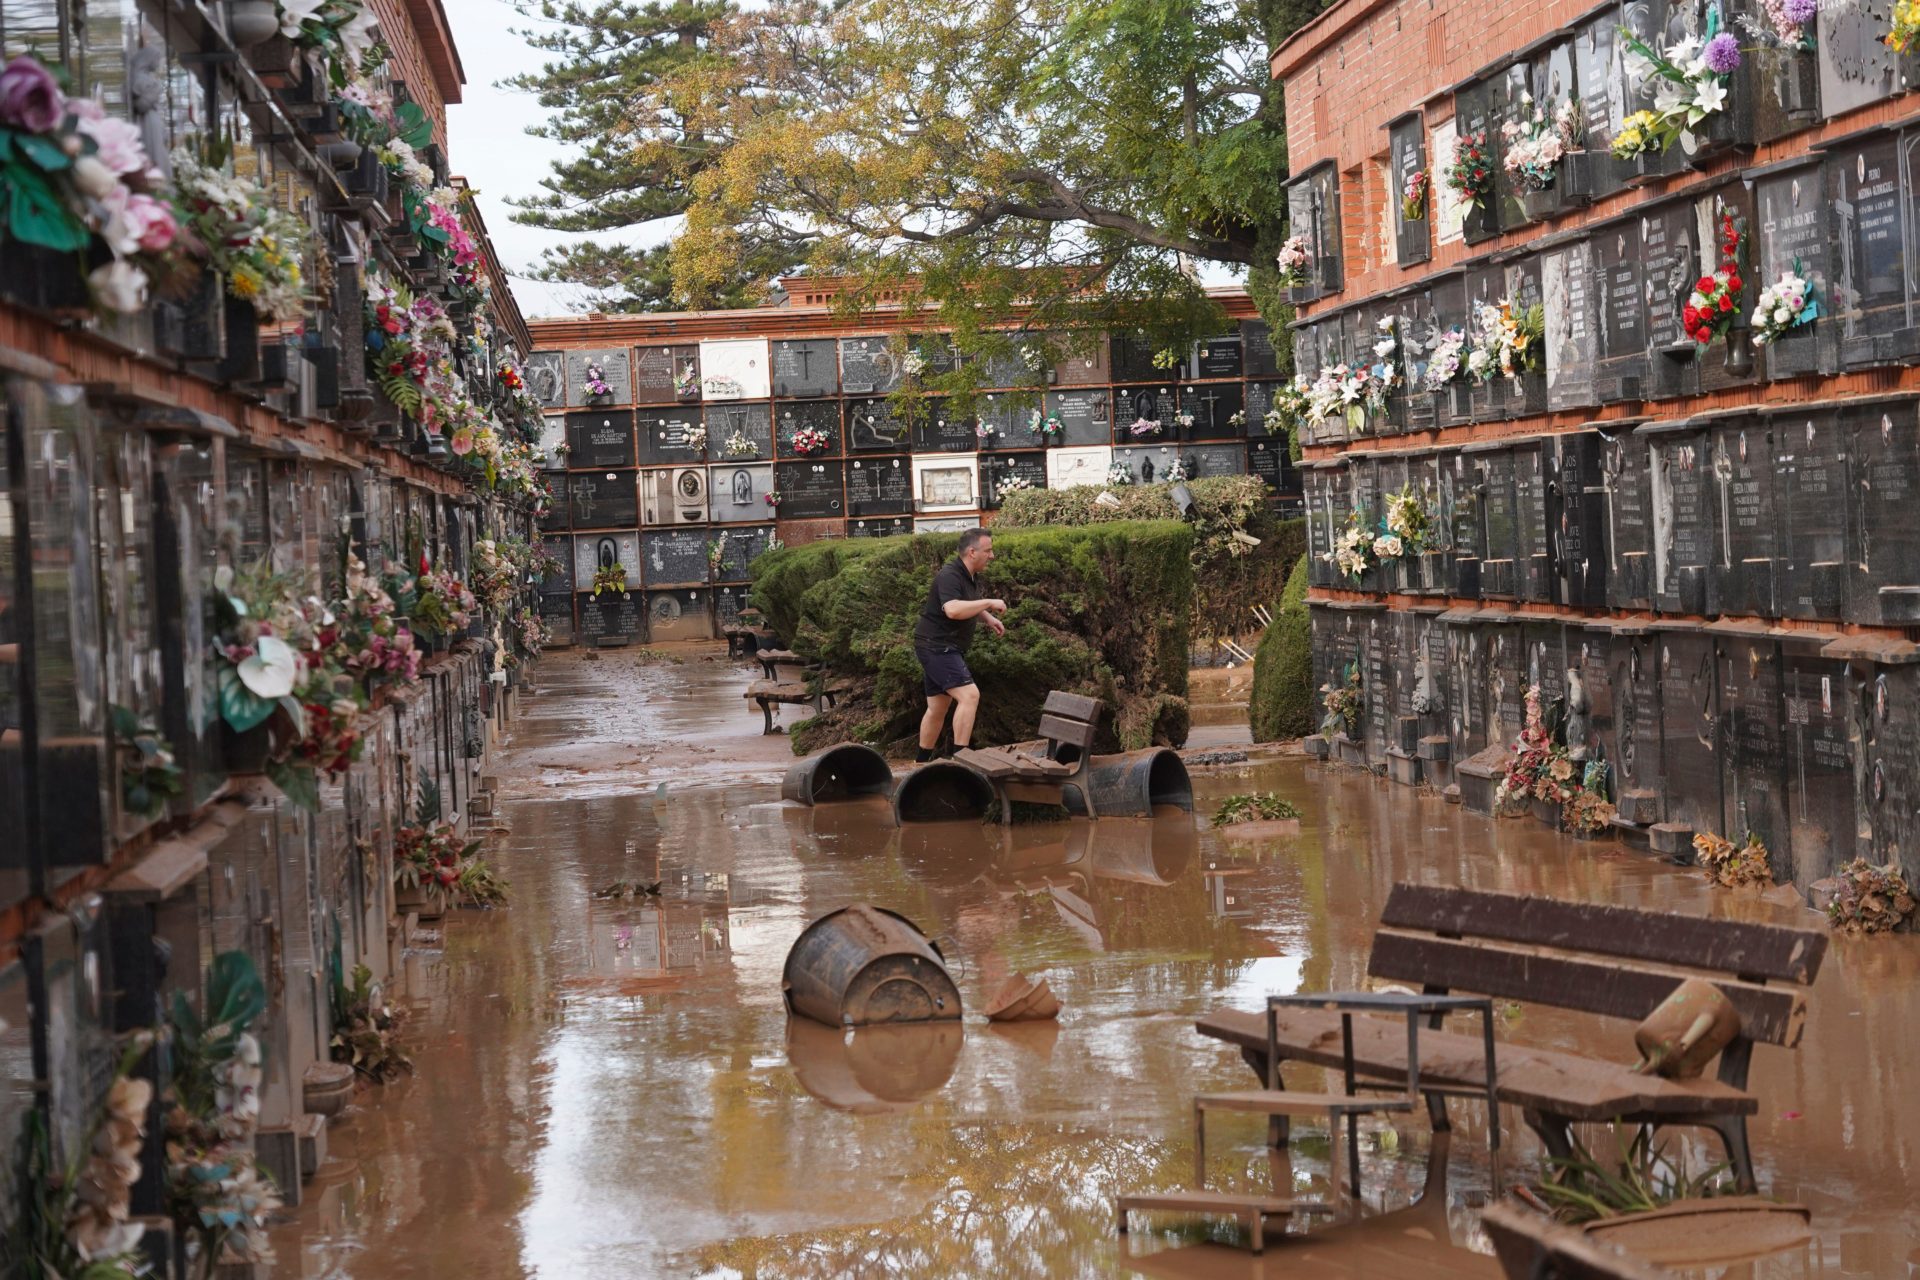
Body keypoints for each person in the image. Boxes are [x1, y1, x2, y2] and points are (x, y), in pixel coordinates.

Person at [913, 528, 1007, 762]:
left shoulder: (970, 575)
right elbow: (953, 609)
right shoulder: (950, 575)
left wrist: (988, 617)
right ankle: (960, 760)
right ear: (972, 552)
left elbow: (969, 603)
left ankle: (920, 762)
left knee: (938, 707)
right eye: (988, 550)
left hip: (942, 646)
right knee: (969, 695)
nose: (992, 555)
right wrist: (990, 602)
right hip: (937, 647)